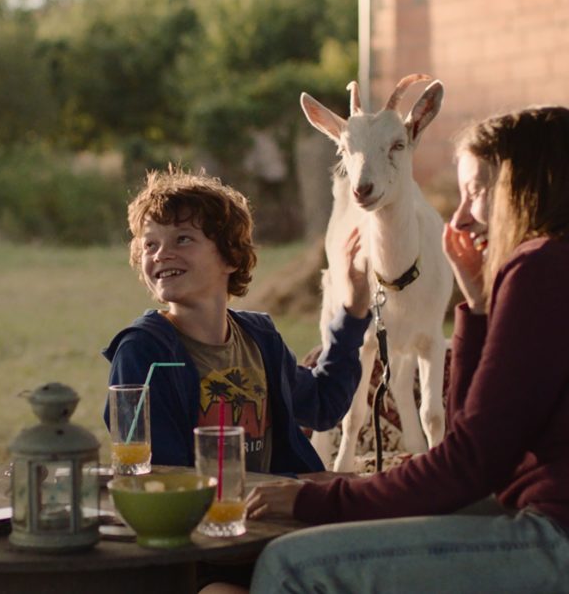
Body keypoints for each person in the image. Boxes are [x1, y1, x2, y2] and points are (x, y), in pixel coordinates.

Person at [241, 106, 569, 594]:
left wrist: (320, 498)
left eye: (475, 193)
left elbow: (469, 463)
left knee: (290, 565)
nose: (460, 218)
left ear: (525, 189)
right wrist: (480, 306)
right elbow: (476, 437)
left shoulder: (551, 270)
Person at [102, 167, 371, 476]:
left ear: (230, 257)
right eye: (150, 244)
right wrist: (291, 487)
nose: (161, 254)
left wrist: (353, 312)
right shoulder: (142, 352)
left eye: (182, 239)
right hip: (200, 507)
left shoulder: (260, 339)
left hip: (271, 501)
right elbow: (164, 477)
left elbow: (323, 405)